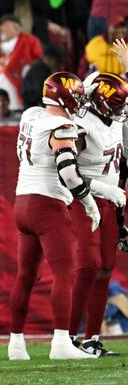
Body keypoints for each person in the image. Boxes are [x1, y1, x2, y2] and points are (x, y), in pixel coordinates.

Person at [8, 72, 101, 361]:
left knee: (25, 276)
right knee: (64, 272)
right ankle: (61, 341)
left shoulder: (31, 115)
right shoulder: (60, 125)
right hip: (47, 204)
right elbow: (69, 172)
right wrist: (89, 202)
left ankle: (16, 344)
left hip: (22, 201)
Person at [68, 72, 128, 356]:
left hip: (112, 201)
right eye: (115, 105)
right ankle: (66, 338)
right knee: (88, 266)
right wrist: (103, 189)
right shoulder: (81, 126)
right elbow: (67, 171)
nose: (121, 110)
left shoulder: (113, 122)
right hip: (85, 199)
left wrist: (120, 219)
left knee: (105, 267)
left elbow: (122, 166)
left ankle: (91, 338)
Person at [0, 14, 42, 111]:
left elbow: (39, 63)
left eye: (3, 24)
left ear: (16, 27)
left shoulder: (29, 41)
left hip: (21, 101)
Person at [22, 45, 64, 109]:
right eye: (57, 61)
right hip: (34, 108)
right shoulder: (40, 70)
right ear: (49, 58)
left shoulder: (43, 68)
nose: (57, 65)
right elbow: (41, 92)